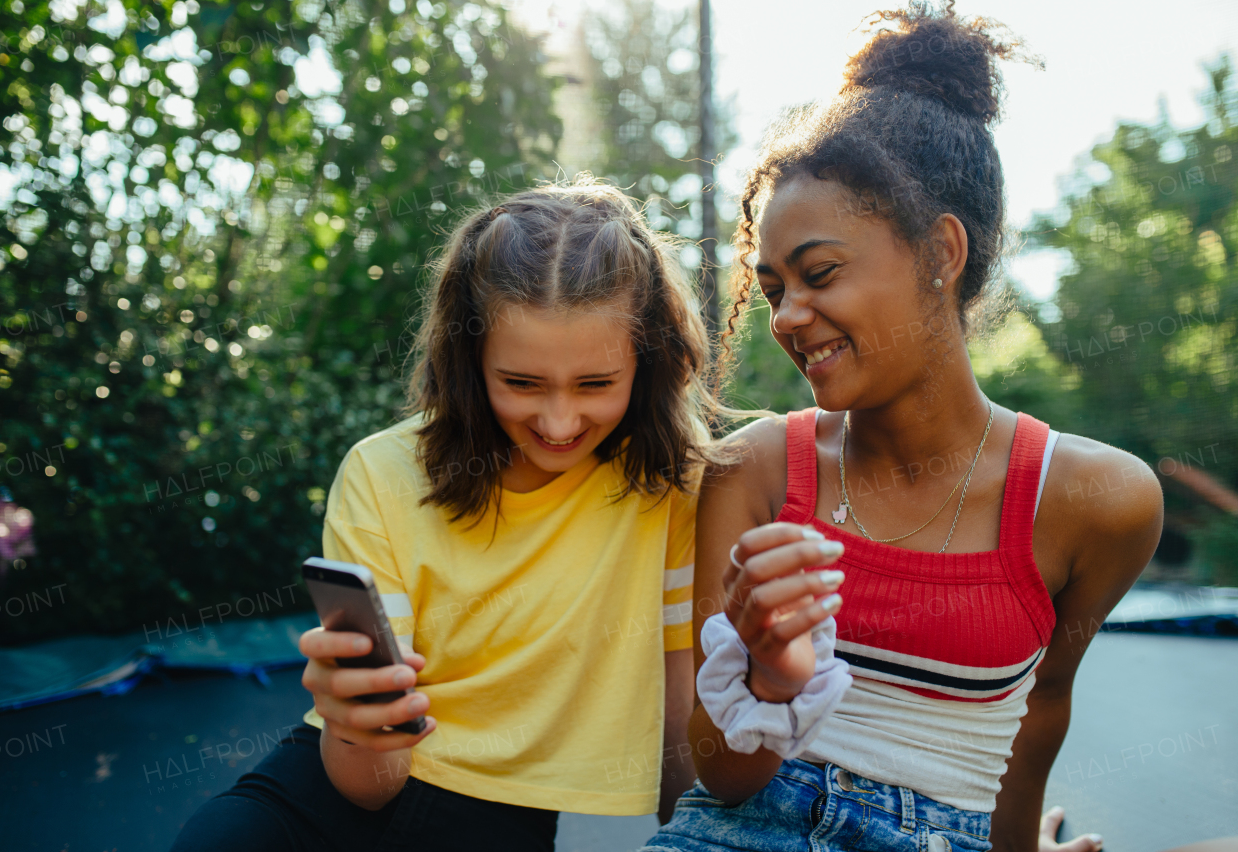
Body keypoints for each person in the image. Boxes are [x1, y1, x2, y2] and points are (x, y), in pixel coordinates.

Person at [640, 4, 1164, 852]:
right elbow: (721, 775)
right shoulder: (755, 472)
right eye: (773, 288)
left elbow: (1037, 712)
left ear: (941, 254)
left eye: (819, 273)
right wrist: (770, 673)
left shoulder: (1099, 500)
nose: (788, 315)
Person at [170, 179, 749, 851]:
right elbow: (371, 783)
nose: (559, 422)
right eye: (521, 383)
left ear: (645, 364)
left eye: (596, 384)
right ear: (471, 362)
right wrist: (357, 720)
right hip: (353, 776)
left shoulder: (676, 488)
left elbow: (678, 705)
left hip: (506, 814)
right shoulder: (382, 474)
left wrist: (694, 837)